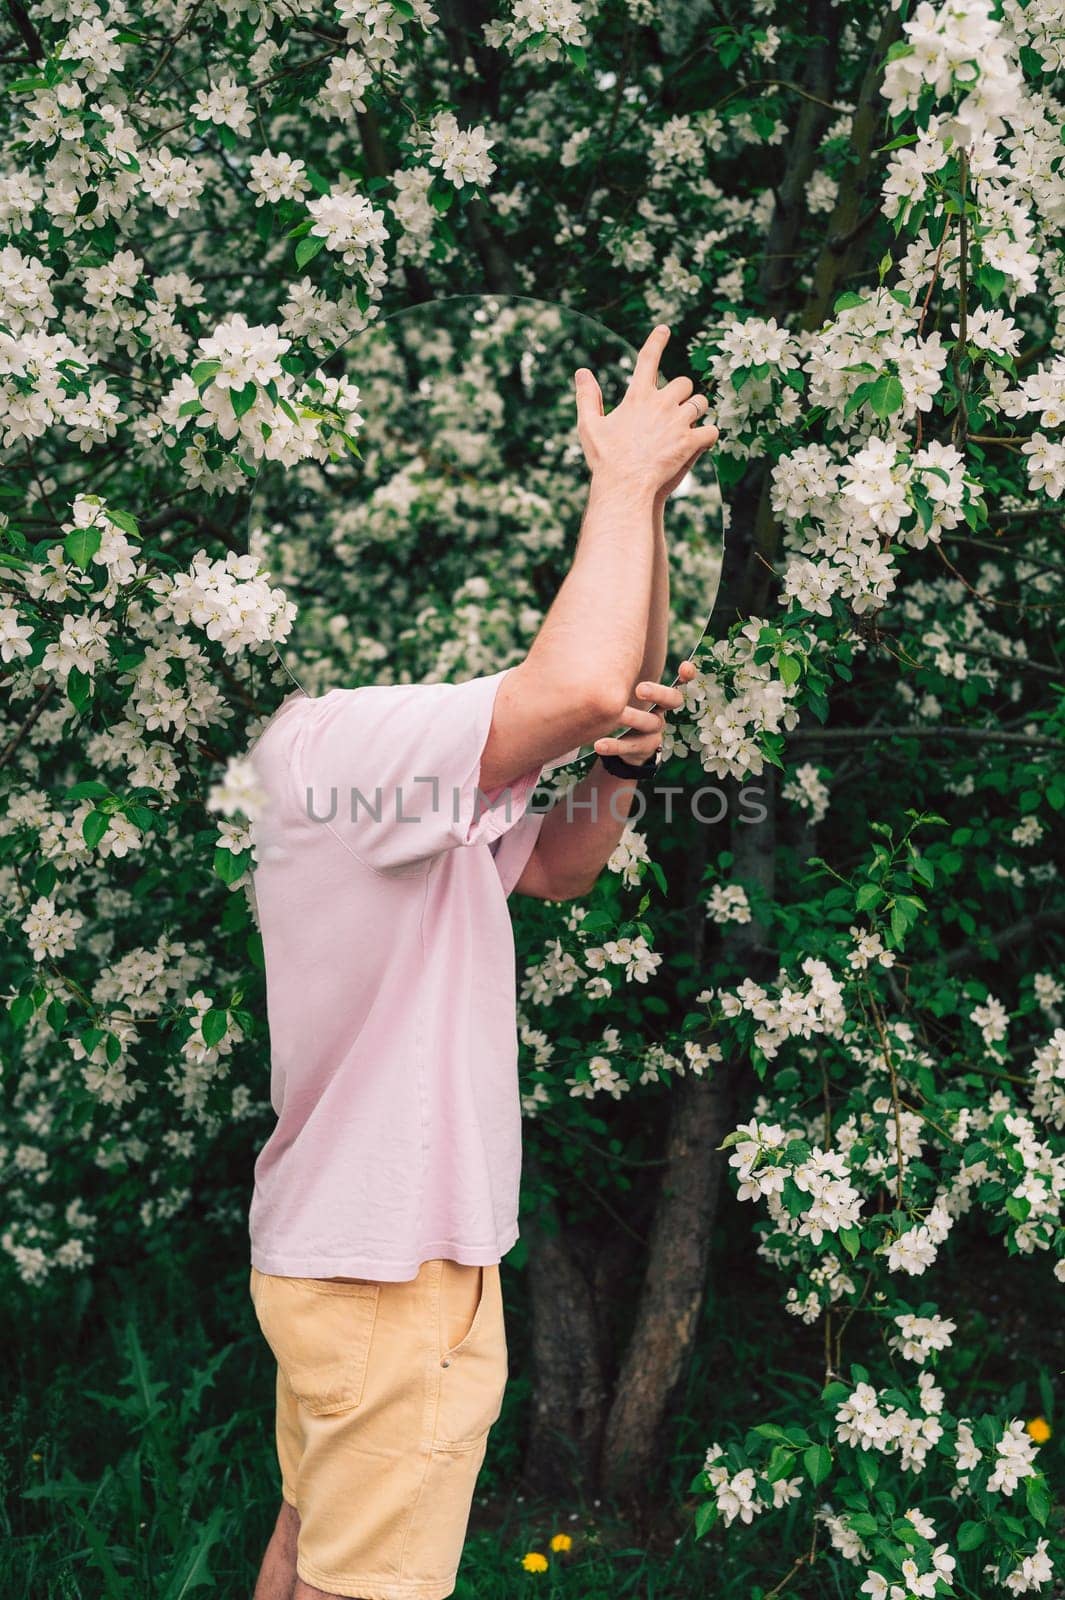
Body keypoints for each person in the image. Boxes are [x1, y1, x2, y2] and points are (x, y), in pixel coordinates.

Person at [246, 322, 718, 1600]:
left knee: (307, 1545)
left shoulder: (396, 816)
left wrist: (616, 762)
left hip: (365, 1261)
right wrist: (617, 488)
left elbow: (564, 856)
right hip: (389, 1274)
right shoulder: (335, 755)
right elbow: (571, 684)